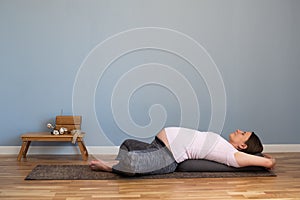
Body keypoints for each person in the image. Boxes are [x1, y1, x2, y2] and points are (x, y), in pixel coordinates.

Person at [89, 127, 276, 176]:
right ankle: (120, 165)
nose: (238, 131)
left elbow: (268, 163)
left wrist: (264, 159)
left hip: (167, 158)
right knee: (127, 143)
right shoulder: (223, 143)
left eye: (242, 134)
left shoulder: (232, 155)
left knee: (132, 161)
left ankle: (111, 169)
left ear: (242, 146)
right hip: (158, 145)